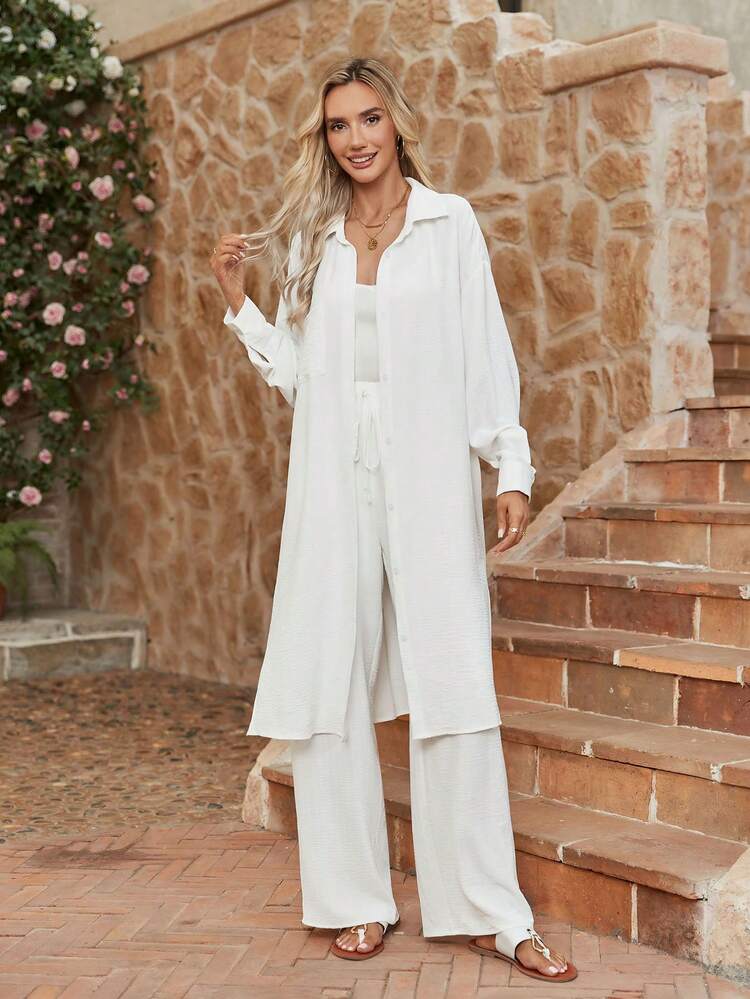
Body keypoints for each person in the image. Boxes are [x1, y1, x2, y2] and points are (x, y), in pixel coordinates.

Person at [210, 56, 576, 983]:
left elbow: (485, 351)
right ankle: (355, 899)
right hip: (333, 482)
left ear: (397, 124)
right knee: (330, 680)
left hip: (427, 475)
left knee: (453, 676)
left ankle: (492, 911)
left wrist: (509, 466)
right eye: (339, 125)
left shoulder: (450, 225)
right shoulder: (315, 239)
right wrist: (241, 308)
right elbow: (302, 376)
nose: (356, 138)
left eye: (369, 119)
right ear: (325, 138)